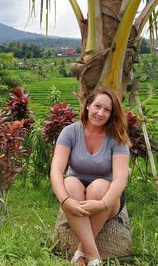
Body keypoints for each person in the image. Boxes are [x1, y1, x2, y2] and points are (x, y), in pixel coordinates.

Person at [50, 86, 131, 266]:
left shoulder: (117, 138)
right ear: (88, 106)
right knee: (69, 182)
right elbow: (56, 170)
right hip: (75, 194)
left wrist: (102, 203)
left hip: (107, 199)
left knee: (99, 186)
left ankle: (82, 253)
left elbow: (120, 179)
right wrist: (65, 201)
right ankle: (91, 258)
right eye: (97, 106)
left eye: (107, 110)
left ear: (112, 114)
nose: (100, 113)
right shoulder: (70, 132)